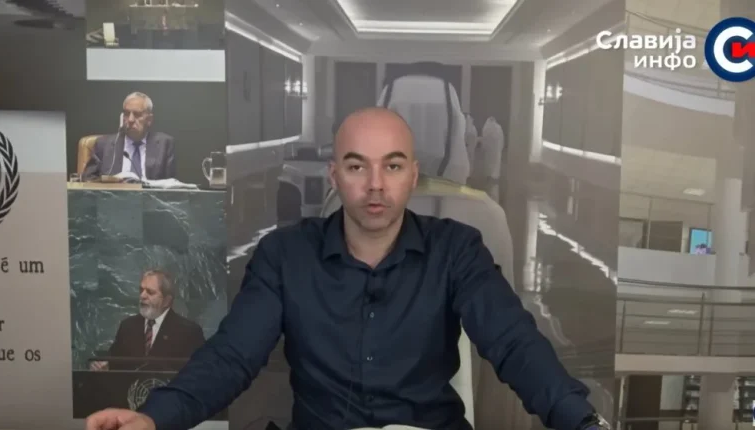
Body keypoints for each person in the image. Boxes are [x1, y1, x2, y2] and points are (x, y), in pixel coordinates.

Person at [86, 107, 610, 430]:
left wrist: (582, 421)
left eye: (393, 166)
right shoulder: (285, 254)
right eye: (358, 166)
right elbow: (231, 355)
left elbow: (514, 343)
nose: (376, 184)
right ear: (335, 175)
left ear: (413, 176)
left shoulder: (457, 249)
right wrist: (155, 416)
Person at [89, 269, 205, 372]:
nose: (142, 296)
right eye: (141, 290)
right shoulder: (128, 327)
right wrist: (104, 366)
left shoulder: (189, 332)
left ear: (166, 301)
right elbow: (114, 362)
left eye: (150, 292)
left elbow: (199, 372)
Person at [81, 92, 176, 182]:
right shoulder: (103, 145)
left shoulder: (164, 144)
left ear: (149, 120)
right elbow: (88, 179)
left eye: (137, 115)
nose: (130, 120)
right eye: (126, 114)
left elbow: (171, 185)